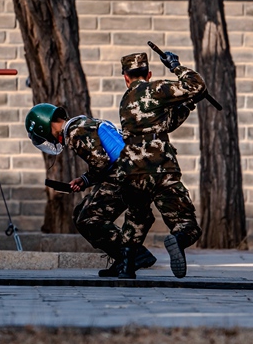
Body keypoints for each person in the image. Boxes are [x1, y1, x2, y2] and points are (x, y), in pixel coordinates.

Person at [24, 103, 157, 277]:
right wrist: (84, 180)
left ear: (43, 127)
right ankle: (124, 258)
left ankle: (133, 255)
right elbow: (104, 160)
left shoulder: (74, 132)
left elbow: (101, 162)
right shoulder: (82, 123)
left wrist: (87, 178)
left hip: (127, 175)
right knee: (80, 213)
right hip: (132, 171)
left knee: (88, 218)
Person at [117, 51, 204, 279]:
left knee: (136, 217)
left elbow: (164, 123)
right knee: (187, 224)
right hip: (160, 168)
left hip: (131, 170)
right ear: (149, 74)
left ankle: (126, 268)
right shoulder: (156, 88)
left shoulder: (126, 100)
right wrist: (176, 66)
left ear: (126, 77)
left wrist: (187, 104)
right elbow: (196, 85)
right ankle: (178, 239)